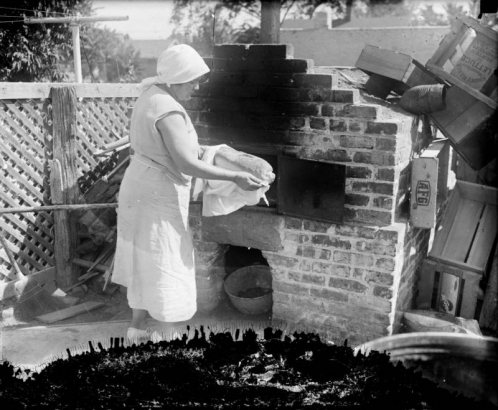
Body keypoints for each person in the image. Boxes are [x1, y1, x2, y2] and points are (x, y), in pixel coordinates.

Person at [111, 44, 264, 341]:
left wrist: (215, 152)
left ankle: (137, 330)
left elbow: (175, 150)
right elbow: (185, 162)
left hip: (139, 184)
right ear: (175, 78)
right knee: (165, 260)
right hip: (155, 191)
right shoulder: (167, 109)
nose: (196, 87)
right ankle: (169, 338)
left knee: (145, 258)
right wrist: (236, 176)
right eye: (192, 81)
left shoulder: (150, 94)